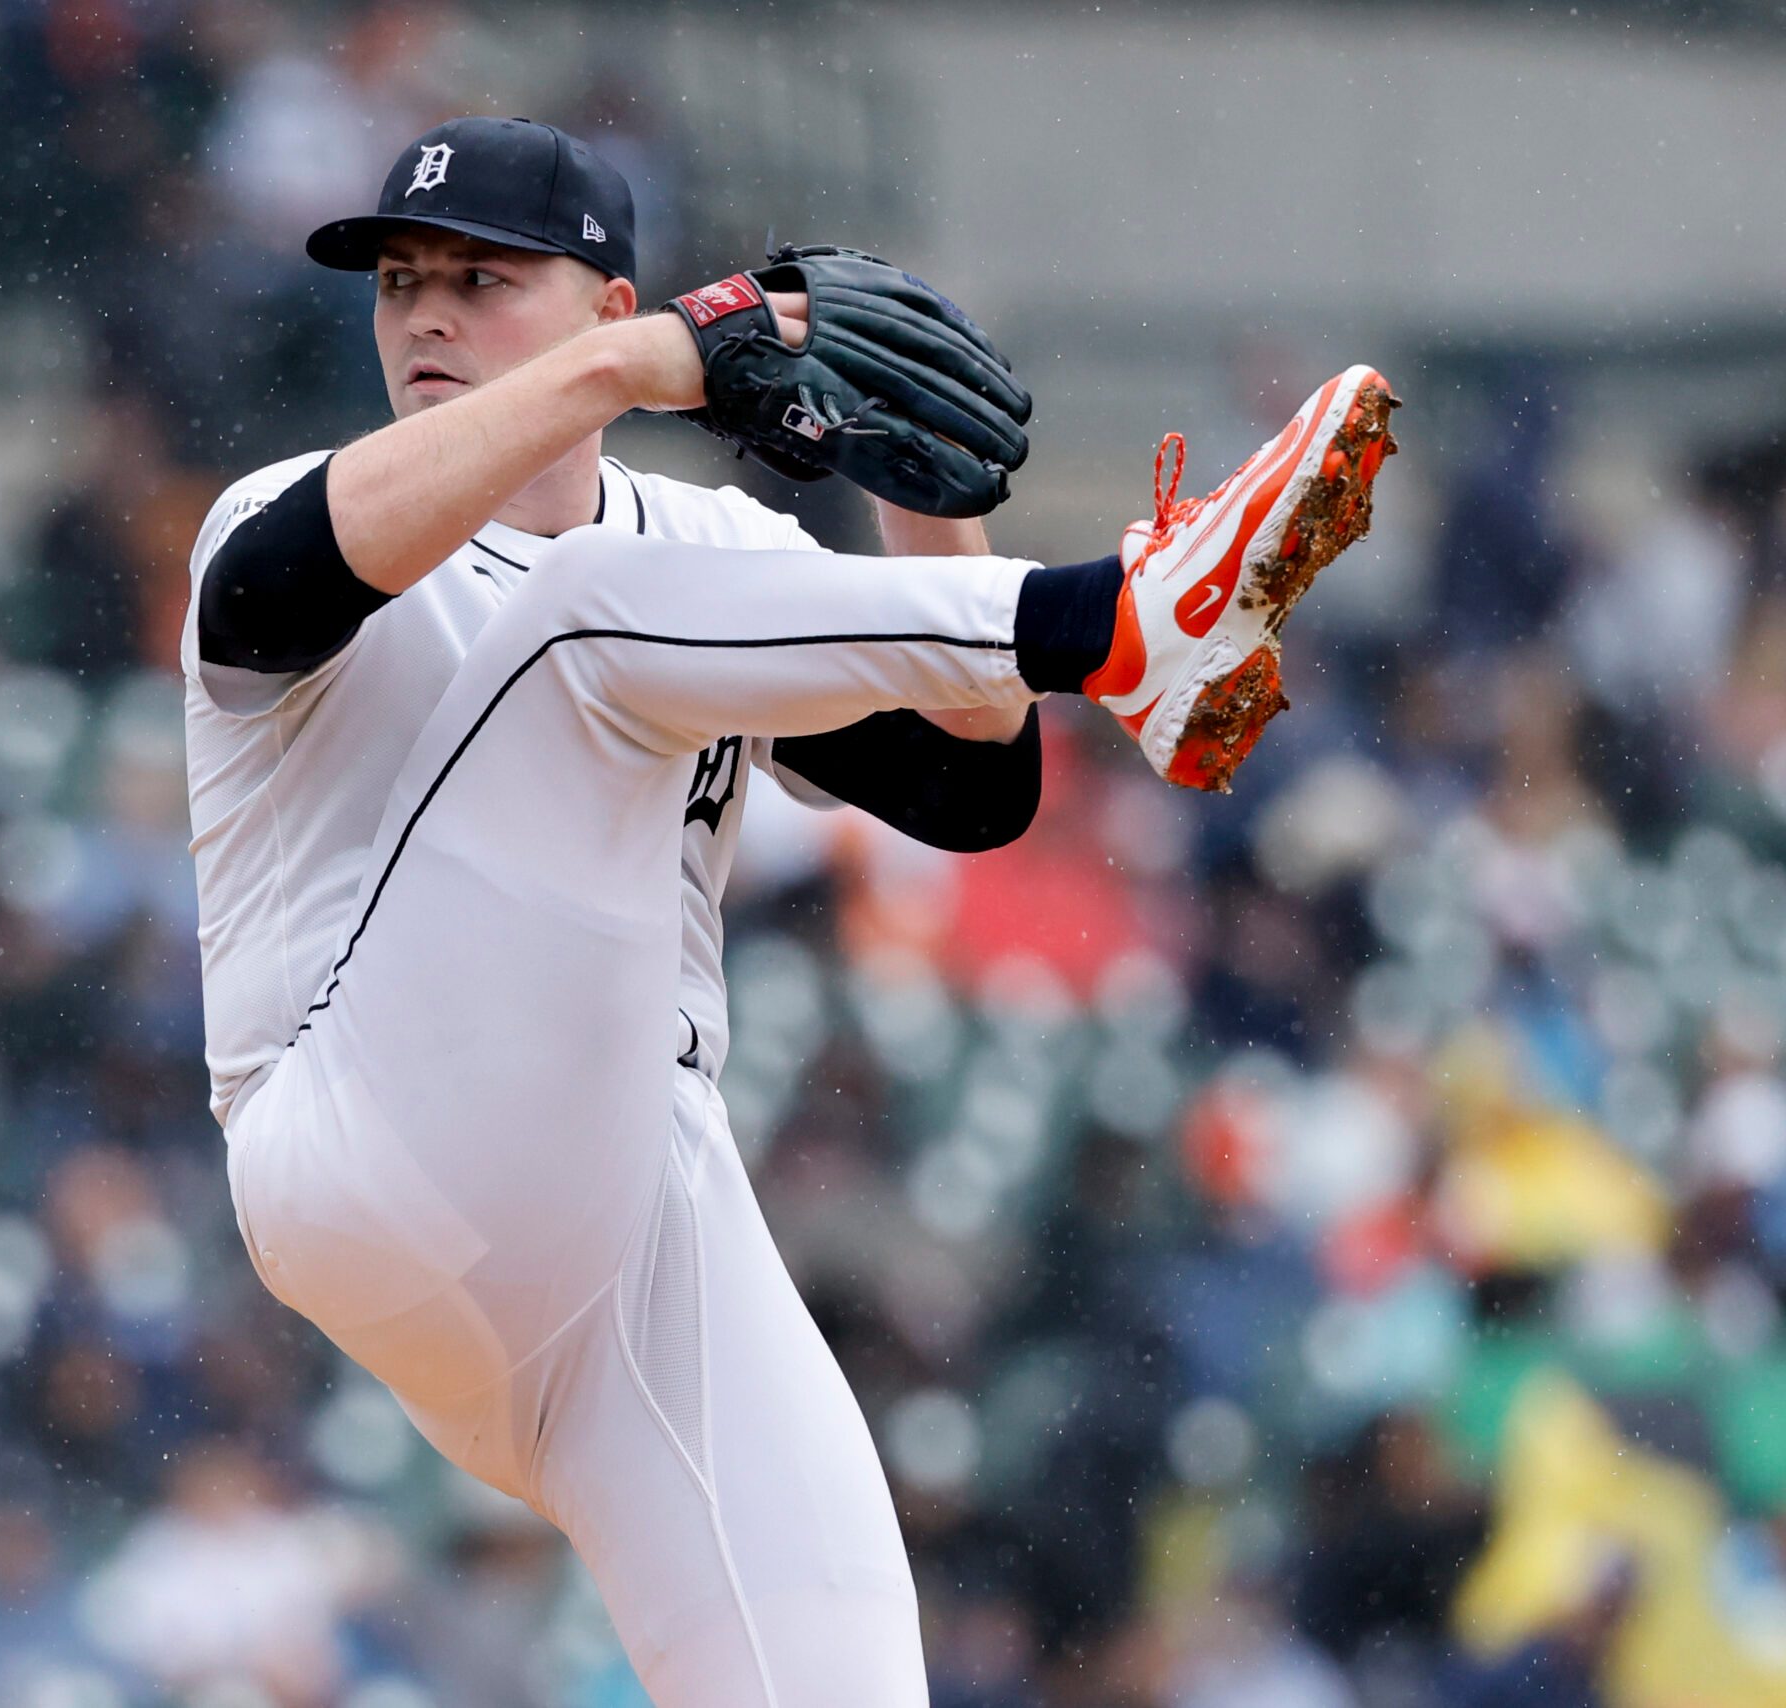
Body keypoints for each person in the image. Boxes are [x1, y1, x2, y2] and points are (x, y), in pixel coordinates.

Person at [180, 115, 1395, 1705]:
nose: (425, 314)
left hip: (623, 1218)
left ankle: (1123, 630)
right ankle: (1128, 617)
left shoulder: (705, 551)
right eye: (401, 280)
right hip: (362, 1136)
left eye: (483, 278)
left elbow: (976, 794)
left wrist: (924, 497)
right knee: (577, 623)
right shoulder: (292, 513)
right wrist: (666, 364)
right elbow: (276, 593)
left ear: (606, 307)